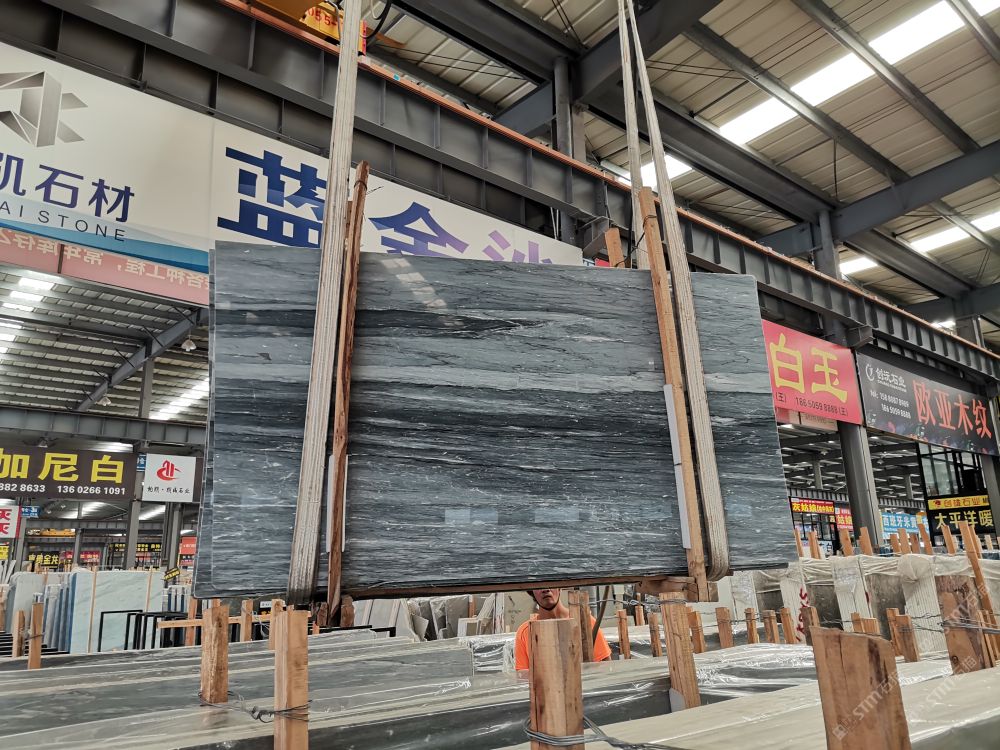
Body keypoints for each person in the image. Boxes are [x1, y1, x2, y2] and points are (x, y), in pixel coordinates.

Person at [513, 587, 612, 670]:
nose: (545, 589)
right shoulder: (525, 632)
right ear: (532, 592)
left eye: (551, 582)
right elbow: (523, 679)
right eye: (538, 586)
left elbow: (606, 668)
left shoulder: (585, 622)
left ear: (560, 587)